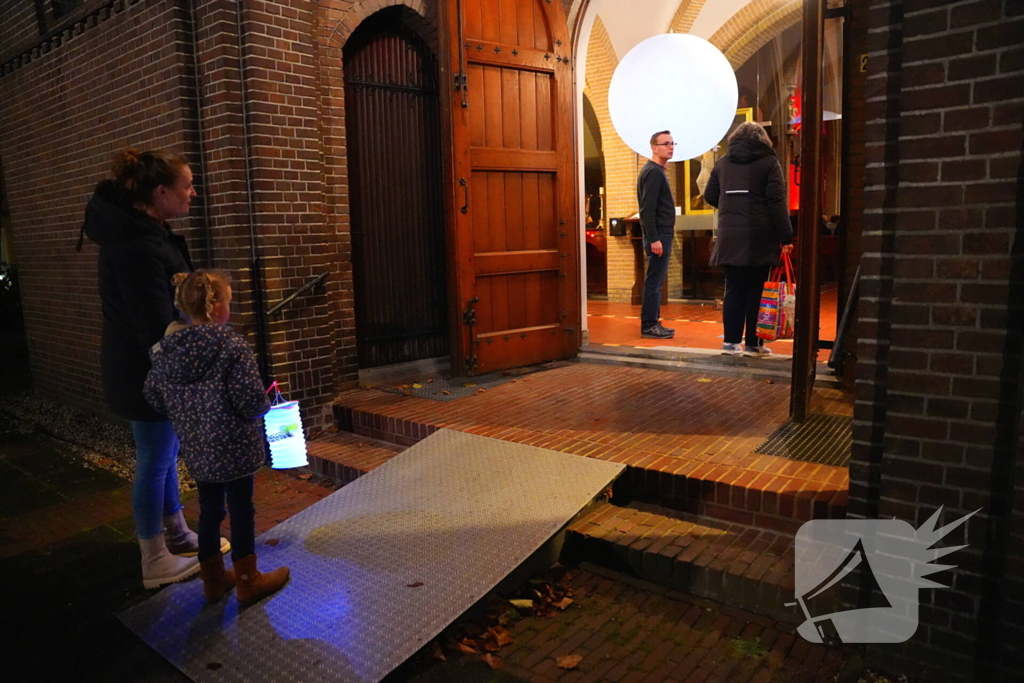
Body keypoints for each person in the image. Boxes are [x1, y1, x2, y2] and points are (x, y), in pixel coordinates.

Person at [81, 148, 226, 589]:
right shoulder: (136, 246)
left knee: (165, 457)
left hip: (152, 369)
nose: (193, 193)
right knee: (155, 459)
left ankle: (176, 534)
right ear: (161, 192)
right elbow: (153, 325)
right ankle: (154, 557)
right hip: (146, 373)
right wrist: (202, 352)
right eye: (186, 186)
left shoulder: (147, 234)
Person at [144, 270, 290, 606]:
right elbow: (251, 401)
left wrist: (186, 412)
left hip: (197, 447)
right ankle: (247, 579)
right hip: (235, 447)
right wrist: (263, 407)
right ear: (217, 307)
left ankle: (213, 580)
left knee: (209, 508)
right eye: (228, 300)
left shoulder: (165, 351)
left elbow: (153, 396)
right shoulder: (231, 346)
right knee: (241, 510)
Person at [704, 122, 794, 357]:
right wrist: (786, 237)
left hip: (730, 235)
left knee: (733, 289)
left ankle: (731, 343)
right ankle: (754, 343)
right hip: (759, 235)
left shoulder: (723, 162)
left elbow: (710, 195)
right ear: (762, 139)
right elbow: (776, 202)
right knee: (756, 290)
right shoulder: (769, 162)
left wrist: (732, 207)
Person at [636, 130, 677, 339]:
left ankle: (654, 323)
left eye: (672, 143)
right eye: (666, 143)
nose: (671, 147)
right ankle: (649, 325)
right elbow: (647, 210)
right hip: (659, 235)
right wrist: (654, 239)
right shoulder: (653, 172)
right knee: (654, 282)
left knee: (656, 282)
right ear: (654, 147)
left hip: (661, 234)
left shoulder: (656, 170)